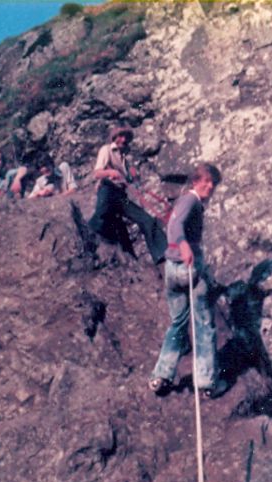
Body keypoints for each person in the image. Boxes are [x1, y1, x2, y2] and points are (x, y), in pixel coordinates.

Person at [148, 163, 227, 398]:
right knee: (204, 325)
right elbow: (175, 226)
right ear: (195, 181)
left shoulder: (187, 202)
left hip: (172, 270)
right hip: (189, 267)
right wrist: (183, 245)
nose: (210, 186)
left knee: (178, 323)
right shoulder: (190, 201)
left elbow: (173, 224)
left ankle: (161, 376)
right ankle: (206, 383)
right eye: (206, 181)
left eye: (213, 183)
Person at [88, 126, 166, 264]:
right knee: (101, 216)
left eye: (126, 138)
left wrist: (134, 179)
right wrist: (111, 173)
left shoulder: (125, 159)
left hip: (120, 195)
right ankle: (90, 237)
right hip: (107, 190)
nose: (123, 140)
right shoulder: (106, 150)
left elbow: (129, 181)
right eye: (121, 136)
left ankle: (162, 253)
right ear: (115, 137)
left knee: (146, 219)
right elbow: (97, 173)